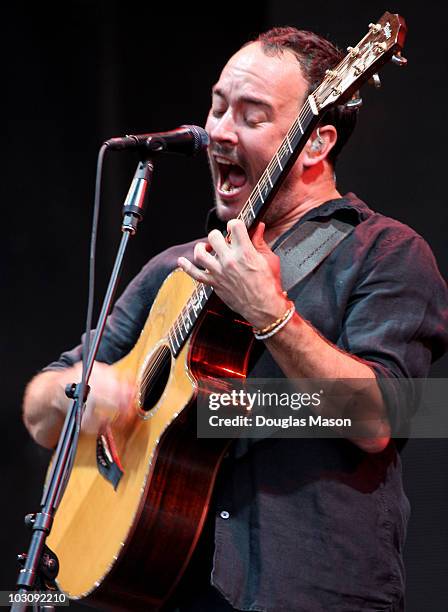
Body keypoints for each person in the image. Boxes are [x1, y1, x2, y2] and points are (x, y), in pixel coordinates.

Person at [22, 27, 448, 612]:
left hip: (309, 594)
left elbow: (385, 419)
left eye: (250, 116)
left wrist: (271, 315)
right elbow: (41, 405)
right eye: (218, 107)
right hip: (165, 587)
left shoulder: (387, 253)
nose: (218, 131)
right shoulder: (176, 270)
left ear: (315, 142)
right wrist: (87, 393)